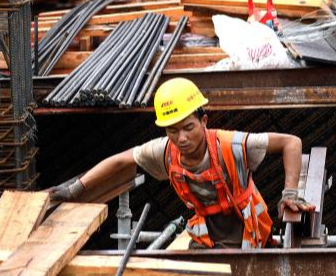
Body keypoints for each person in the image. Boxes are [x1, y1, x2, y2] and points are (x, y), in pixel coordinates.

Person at [49, 78, 314, 249]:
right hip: (207, 237)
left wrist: (289, 193)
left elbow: (291, 142)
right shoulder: (166, 153)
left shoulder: (232, 145)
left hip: (249, 232)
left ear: (204, 121)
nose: (182, 138)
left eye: (188, 128)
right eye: (172, 131)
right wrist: (77, 189)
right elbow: (121, 161)